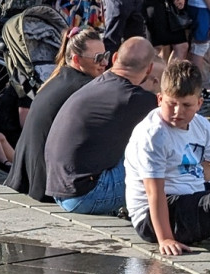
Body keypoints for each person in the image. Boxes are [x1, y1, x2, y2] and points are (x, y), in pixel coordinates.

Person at [44, 36, 157, 214]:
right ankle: (168, 219)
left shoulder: (98, 84)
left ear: (114, 58)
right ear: (149, 68)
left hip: (60, 189)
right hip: (84, 196)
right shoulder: (134, 98)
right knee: (162, 157)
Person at [5, 27, 107, 202]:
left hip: (26, 178)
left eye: (106, 55)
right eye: (98, 58)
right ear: (76, 59)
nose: (104, 63)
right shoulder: (86, 87)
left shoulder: (58, 78)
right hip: (47, 186)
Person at [125, 60, 210, 255]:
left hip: (190, 197)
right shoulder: (154, 134)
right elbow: (154, 192)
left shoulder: (202, 126)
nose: (178, 112)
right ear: (160, 99)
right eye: (171, 104)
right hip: (155, 215)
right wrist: (165, 238)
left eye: (186, 105)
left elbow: (206, 169)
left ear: (199, 104)